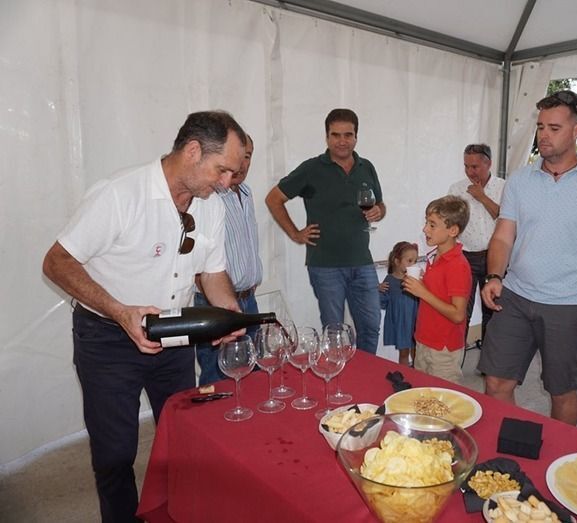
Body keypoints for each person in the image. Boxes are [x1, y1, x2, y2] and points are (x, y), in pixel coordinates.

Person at [41, 111, 246, 521]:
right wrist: (121, 312)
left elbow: (212, 272)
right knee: (115, 452)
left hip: (174, 333)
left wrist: (227, 307)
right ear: (193, 151)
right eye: (222, 170)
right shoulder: (120, 194)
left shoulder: (212, 206)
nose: (227, 183)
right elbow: (57, 262)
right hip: (107, 339)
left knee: (183, 437)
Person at [478, 90, 577, 426]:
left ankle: (560, 453)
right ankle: (506, 446)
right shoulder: (520, 180)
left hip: (571, 305)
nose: (544, 135)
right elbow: (503, 236)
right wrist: (494, 276)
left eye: (554, 128)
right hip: (515, 295)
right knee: (496, 382)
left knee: (561, 391)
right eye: (541, 127)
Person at [265, 108, 384, 354]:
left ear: (356, 137)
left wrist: (378, 211)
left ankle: (366, 373)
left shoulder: (367, 167)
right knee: (334, 332)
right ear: (327, 137)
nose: (342, 141)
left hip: (363, 263)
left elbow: (380, 205)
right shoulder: (311, 169)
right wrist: (295, 234)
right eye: (335, 135)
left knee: (371, 327)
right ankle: (338, 375)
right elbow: (273, 199)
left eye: (348, 135)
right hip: (326, 267)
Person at [195, 135, 264, 385]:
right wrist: (216, 304)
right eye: (238, 157)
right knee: (218, 378)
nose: (242, 164)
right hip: (215, 304)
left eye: (248, 157)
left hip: (249, 300)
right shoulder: (206, 198)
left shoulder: (246, 192)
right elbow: (196, 259)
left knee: (253, 377)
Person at [402, 195, 471, 383]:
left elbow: (457, 314)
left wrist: (422, 292)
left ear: (453, 230)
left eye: (432, 225)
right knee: (422, 393)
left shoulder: (457, 265)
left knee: (442, 397)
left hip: (443, 349)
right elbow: (438, 294)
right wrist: (421, 285)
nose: (425, 229)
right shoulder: (435, 256)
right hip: (424, 340)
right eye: (426, 222)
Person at [448, 143, 505, 346]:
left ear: (488, 164)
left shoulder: (504, 187)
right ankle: (457, 359)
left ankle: (490, 361)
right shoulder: (456, 189)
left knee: (494, 313)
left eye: (475, 167)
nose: (470, 172)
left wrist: (482, 197)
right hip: (465, 257)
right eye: (466, 166)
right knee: (462, 311)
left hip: (495, 257)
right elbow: (449, 224)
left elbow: (507, 219)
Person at [379, 241, 419, 366]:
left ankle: (417, 374)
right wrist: (377, 289)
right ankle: (405, 375)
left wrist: (424, 281)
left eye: (415, 261)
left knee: (417, 353)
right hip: (401, 325)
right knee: (404, 353)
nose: (413, 265)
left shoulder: (415, 280)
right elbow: (382, 302)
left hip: (416, 322)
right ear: (397, 261)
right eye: (409, 261)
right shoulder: (390, 280)